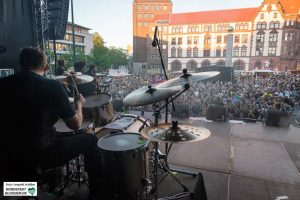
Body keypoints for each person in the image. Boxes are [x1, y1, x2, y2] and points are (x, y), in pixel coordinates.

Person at [0, 47, 99, 199]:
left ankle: (25, 190)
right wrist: (79, 104)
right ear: (45, 67)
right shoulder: (52, 86)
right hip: (40, 153)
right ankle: (96, 193)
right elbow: (76, 124)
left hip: (8, 154)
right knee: (90, 139)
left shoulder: (3, 84)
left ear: (21, 64)